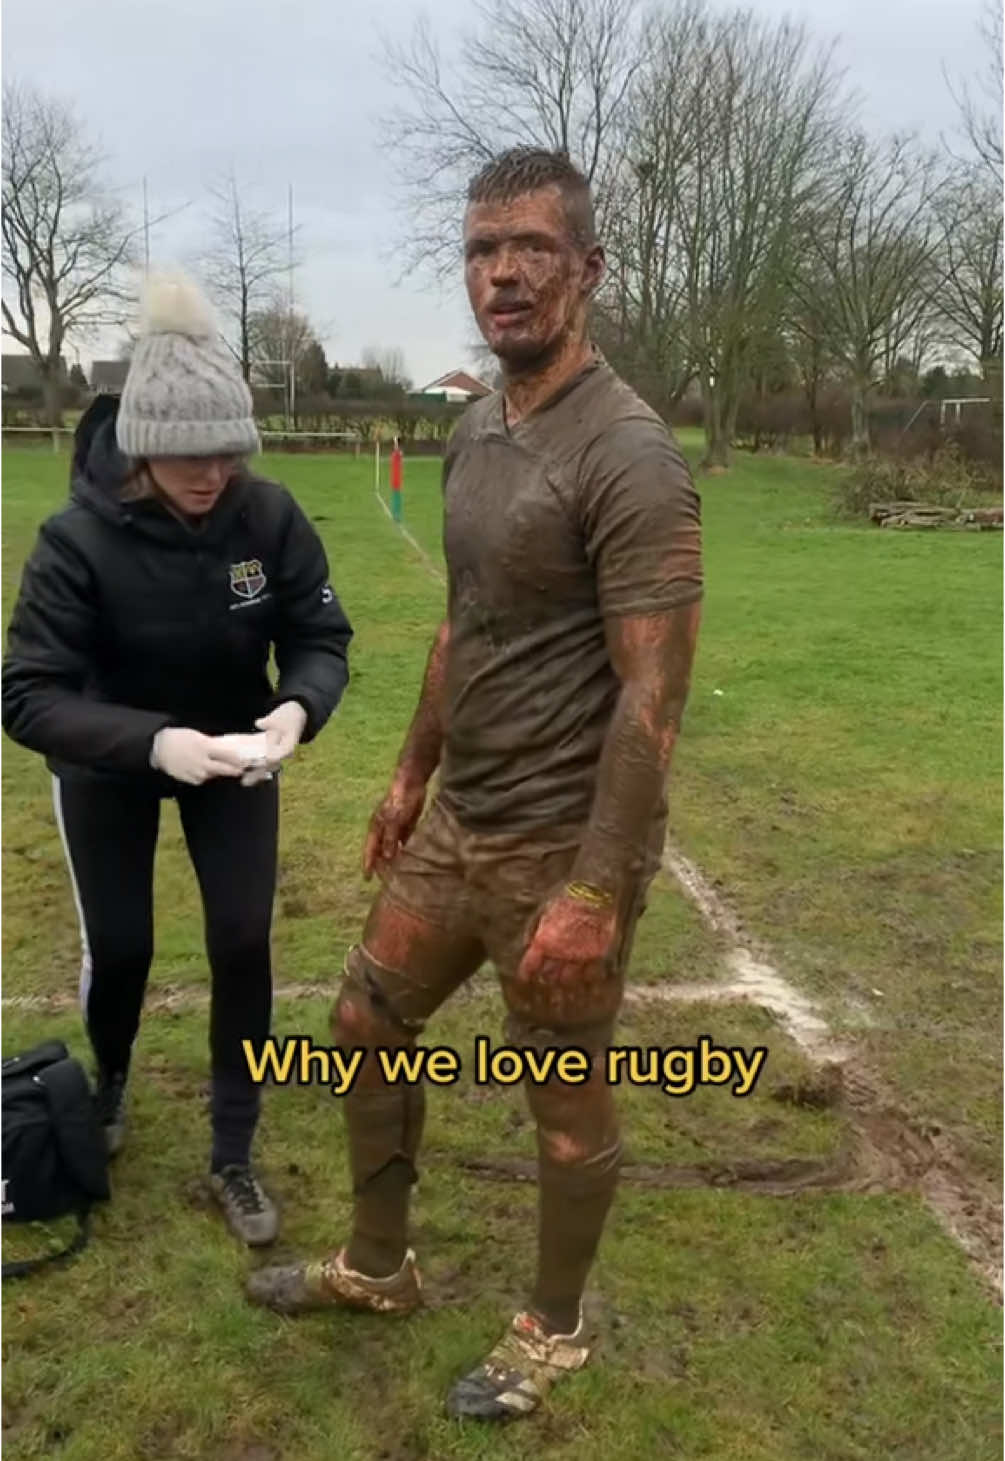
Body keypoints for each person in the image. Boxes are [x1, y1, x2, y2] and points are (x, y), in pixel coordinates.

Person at [248, 147, 703, 1417]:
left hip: (566, 845)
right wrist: (408, 775)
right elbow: (466, 623)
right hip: (464, 823)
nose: (502, 273)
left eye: (532, 250)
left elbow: (654, 696)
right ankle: (378, 1265)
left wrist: (600, 894)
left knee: (561, 1099)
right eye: (482, 249)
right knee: (363, 1020)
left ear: (588, 272)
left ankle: (554, 1328)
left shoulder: (632, 456)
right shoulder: (470, 434)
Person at [1, 273, 353, 1247]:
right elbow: (27, 695)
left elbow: (323, 636)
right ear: (143, 445)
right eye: (188, 453)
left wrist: (295, 711)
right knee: (123, 947)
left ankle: (233, 1151)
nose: (211, 472)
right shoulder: (75, 541)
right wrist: (153, 742)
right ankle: (111, 1079)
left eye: (227, 452)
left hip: (237, 757)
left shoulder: (268, 517)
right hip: (111, 760)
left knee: (242, 938)